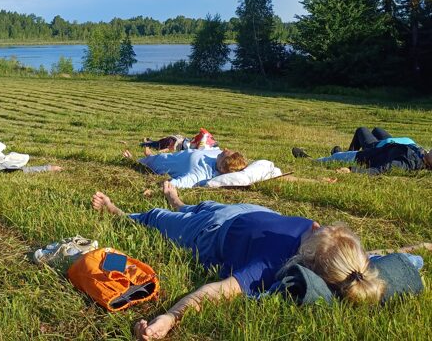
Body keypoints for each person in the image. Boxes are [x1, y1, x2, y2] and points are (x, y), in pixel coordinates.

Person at [91, 183, 423, 340]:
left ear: (305, 259)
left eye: (316, 233)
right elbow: (383, 257)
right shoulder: (353, 262)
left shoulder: (271, 264)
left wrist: (169, 316)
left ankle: (117, 210)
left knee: (155, 219)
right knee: (199, 204)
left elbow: (217, 290)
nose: (316, 226)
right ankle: (179, 199)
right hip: (251, 212)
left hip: (212, 232)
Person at [292, 126, 432, 175]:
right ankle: (339, 154)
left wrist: (352, 170)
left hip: (364, 156)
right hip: (381, 148)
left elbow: (380, 170)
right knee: (377, 130)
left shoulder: (408, 162)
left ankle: (310, 159)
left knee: (334, 158)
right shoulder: (421, 154)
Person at [123, 147, 248, 188]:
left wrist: (156, 188)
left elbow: (176, 184)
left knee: (148, 161)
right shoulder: (217, 156)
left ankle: (134, 159)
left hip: (159, 162)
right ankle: (151, 154)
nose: (224, 150)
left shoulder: (200, 174)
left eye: (223, 154)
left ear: (221, 167)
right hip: (174, 155)